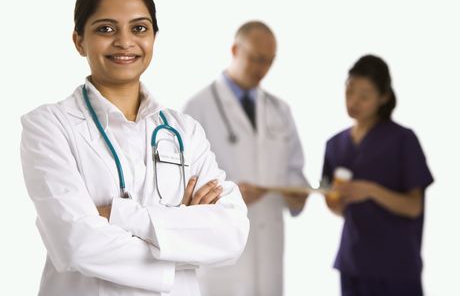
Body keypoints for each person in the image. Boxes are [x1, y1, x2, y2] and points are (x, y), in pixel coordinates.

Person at [20, 0, 249, 296]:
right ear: (79, 40)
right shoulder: (49, 126)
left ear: (154, 36)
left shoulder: (185, 131)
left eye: (139, 28)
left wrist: (117, 214)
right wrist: (181, 239)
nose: (125, 41)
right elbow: (77, 243)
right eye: (105, 29)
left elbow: (231, 234)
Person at [183, 21, 308, 296]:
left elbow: (294, 171)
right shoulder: (198, 107)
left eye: (268, 61)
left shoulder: (280, 110)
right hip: (223, 251)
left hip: (269, 244)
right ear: (235, 49)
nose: (260, 68)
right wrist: (230, 193)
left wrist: (298, 192)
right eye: (254, 58)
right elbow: (183, 186)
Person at [322, 55, 434, 296]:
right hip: (352, 264)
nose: (353, 101)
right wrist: (335, 201)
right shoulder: (334, 145)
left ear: (383, 97)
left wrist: (370, 190)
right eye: (349, 91)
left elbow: (414, 206)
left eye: (364, 95)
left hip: (396, 267)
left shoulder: (403, 140)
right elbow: (335, 206)